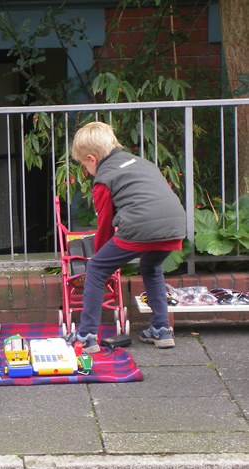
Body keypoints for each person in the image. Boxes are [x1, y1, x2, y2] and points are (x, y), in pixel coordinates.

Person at [65, 121, 186, 354]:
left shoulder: (104, 179)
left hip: (140, 226)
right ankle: (161, 330)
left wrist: (99, 256)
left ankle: (87, 336)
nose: (86, 170)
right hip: (174, 224)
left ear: (91, 158)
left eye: (83, 165)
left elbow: (105, 224)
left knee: (97, 269)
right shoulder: (143, 163)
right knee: (151, 267)